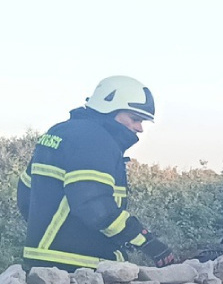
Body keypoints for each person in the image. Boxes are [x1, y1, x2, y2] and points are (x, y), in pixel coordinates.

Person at [17, 76, 175, 270]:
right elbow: (94, 206)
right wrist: (146, 241)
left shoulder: (59, 131)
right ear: (109, 108)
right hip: (79, 265)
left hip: (38, 259)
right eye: (135, 119)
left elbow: (25, 194)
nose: (139, 128)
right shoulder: (95, 140)